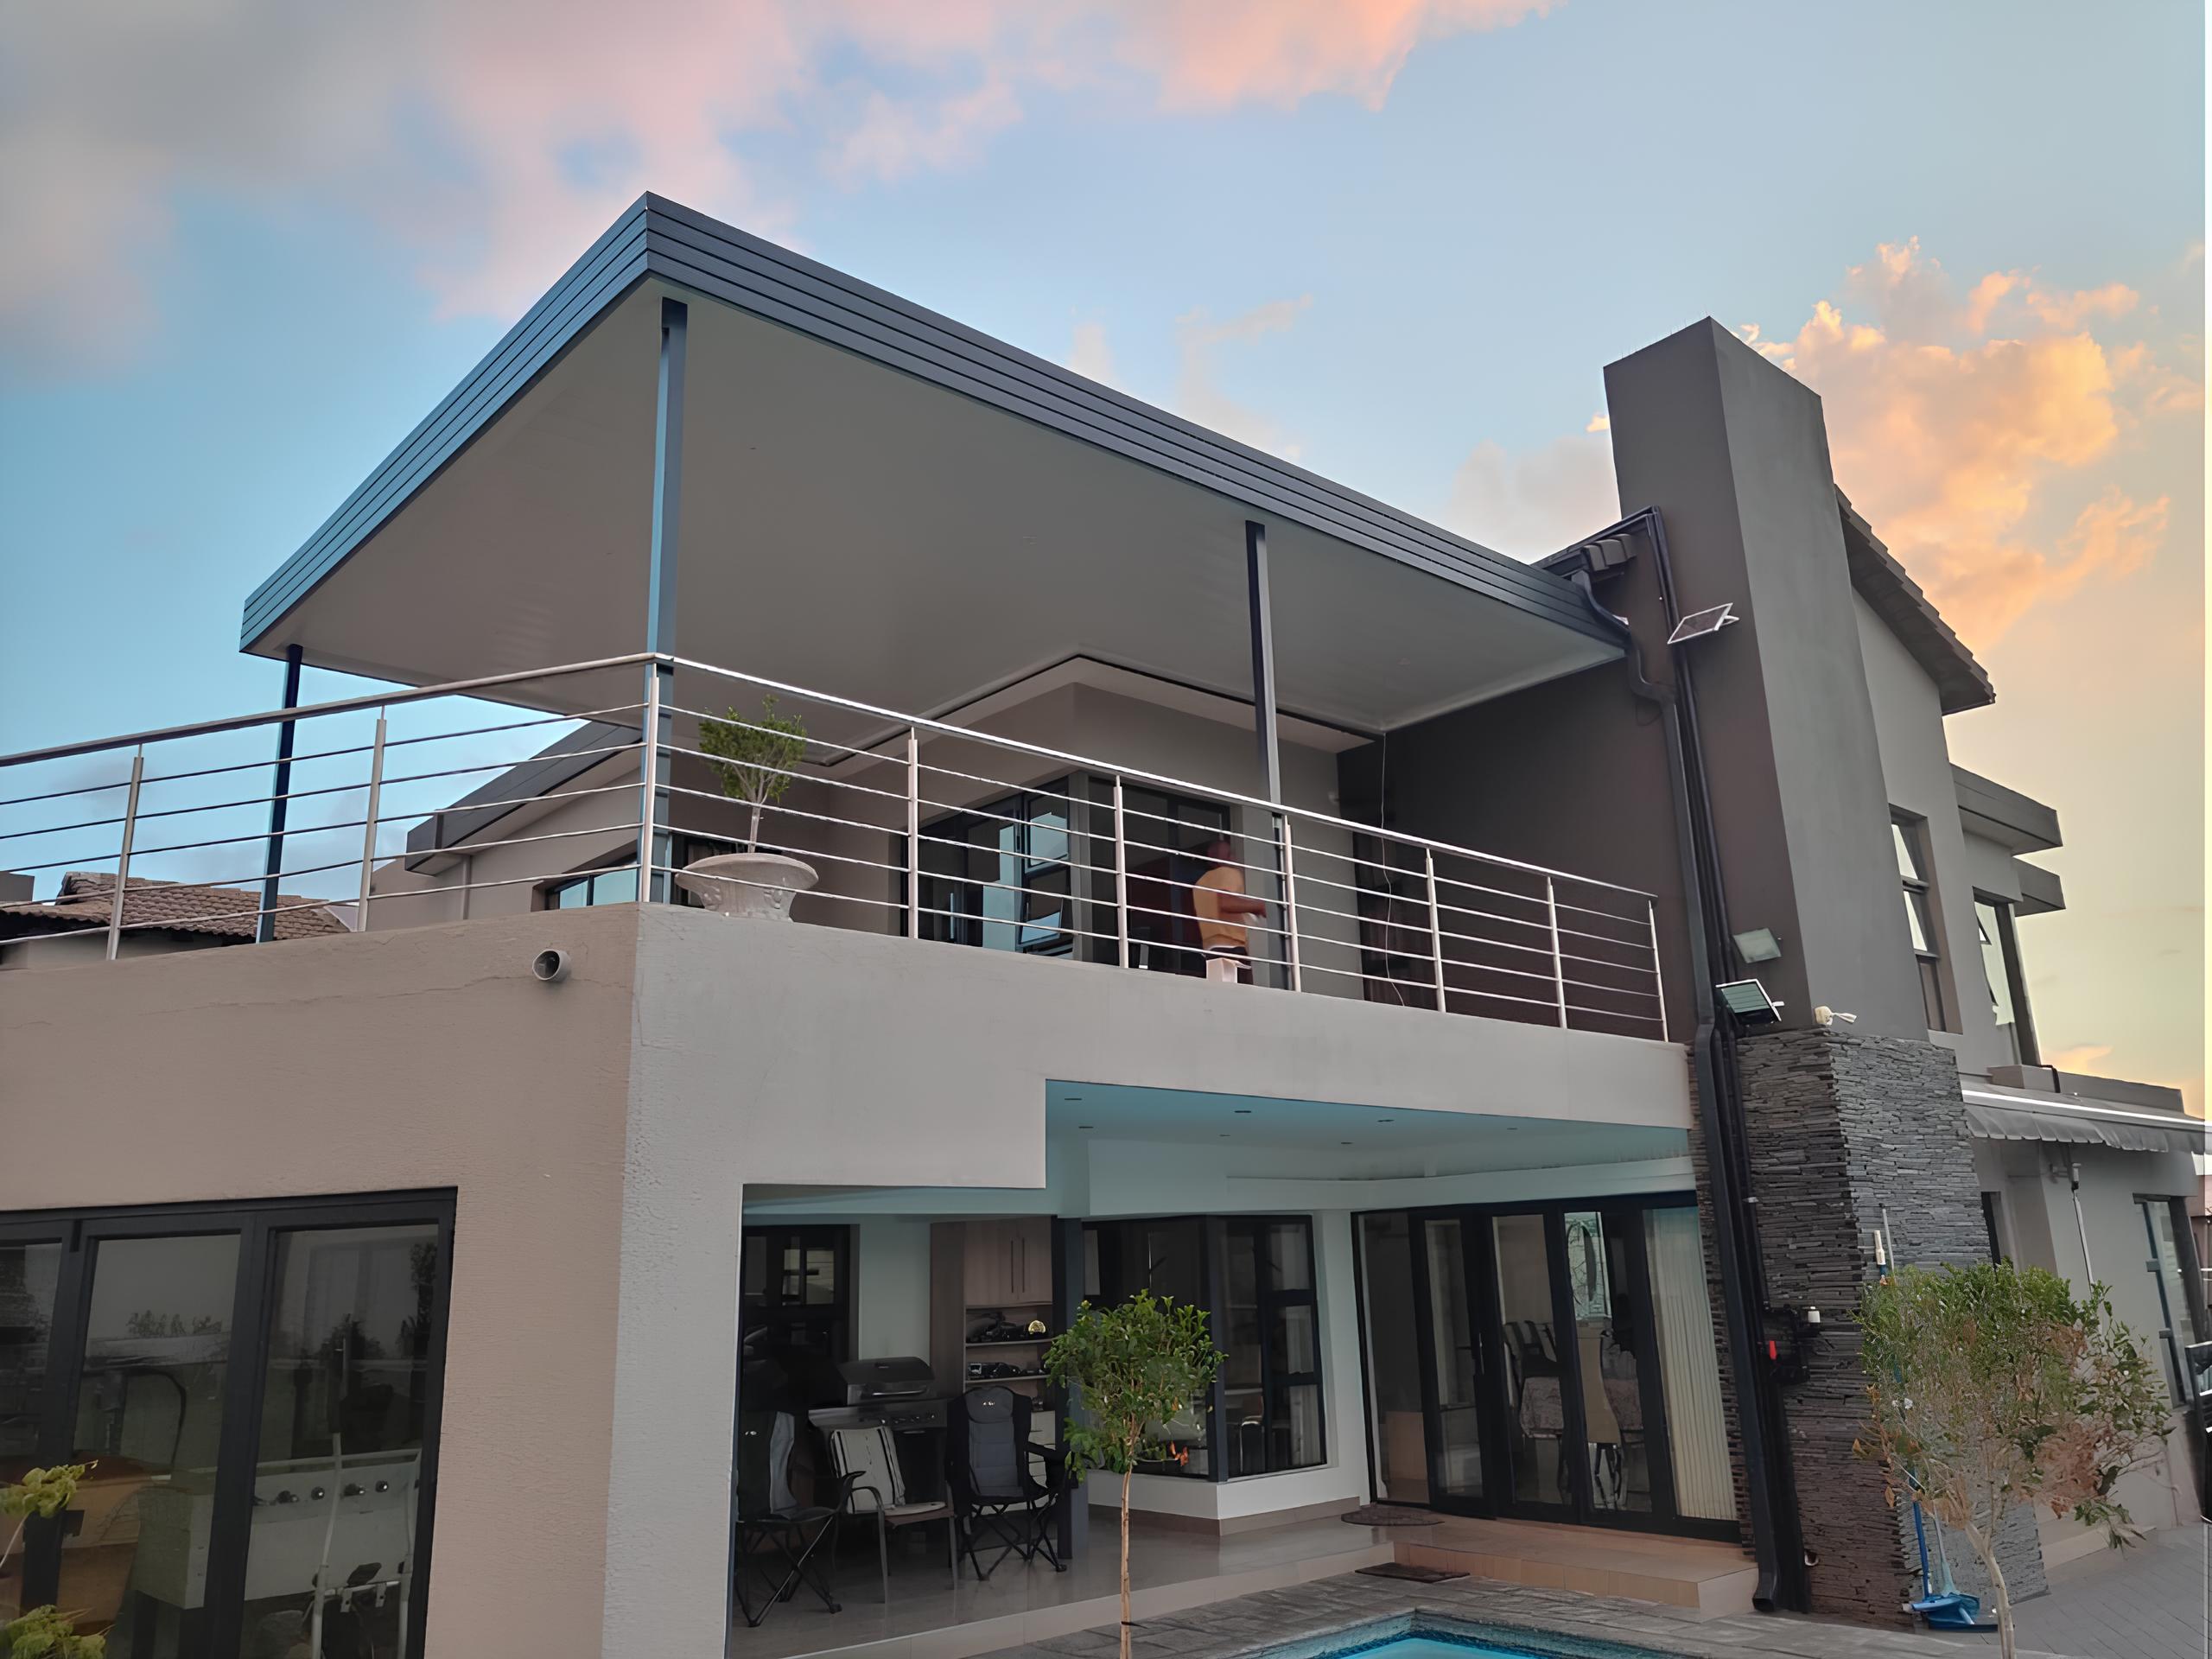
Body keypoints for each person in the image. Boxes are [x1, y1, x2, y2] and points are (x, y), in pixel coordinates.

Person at [1191, 834, 1269, 983]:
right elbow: (1226, 902)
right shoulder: (1229, 873)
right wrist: (1259, 906)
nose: (1234, 858)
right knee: (1241, 996)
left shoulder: (1200, 884)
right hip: (1231, 949)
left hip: (1210, 950)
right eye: (1230, 854)